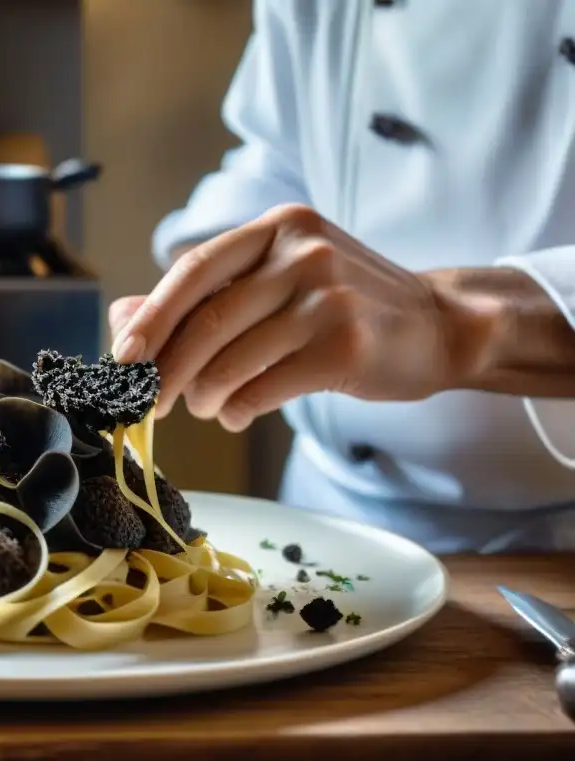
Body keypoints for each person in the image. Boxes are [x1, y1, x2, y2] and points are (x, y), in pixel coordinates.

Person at [109, 0, 575, 554]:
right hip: (324, 515)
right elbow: (278, 154)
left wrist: (454, 325)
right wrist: (217, 276)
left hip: (558, 548)